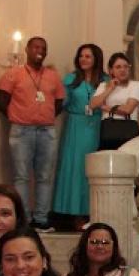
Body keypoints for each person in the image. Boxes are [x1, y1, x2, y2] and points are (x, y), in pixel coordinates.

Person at [0, 36, 65, 231]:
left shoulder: (53, 76)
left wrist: (43, 115)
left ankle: (41, 219)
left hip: (47, 131)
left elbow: (59, 103)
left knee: (44, 176)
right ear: (27, 49)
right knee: (22, 177)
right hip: (21, 131)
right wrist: (20, 116)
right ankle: (23, 219)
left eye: (43, 47)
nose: (40, 50)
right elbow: (1, 101)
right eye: (36, 46)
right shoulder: (14, 74)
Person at [52, 43, 104, 225]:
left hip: (96, 126)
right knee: (75, 168)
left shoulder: (104, 80)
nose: (83, 59)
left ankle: (93, 212)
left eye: (88, 56)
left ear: (96, 59)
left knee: (92, 169)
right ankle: (74, 213)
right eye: (81, 56)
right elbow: (60, 102)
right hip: (75, 125)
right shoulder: (71, 79)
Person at [91, 52, 139, 150]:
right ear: (111, 70)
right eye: (118, 67)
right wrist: (110, 88)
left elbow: (128, 109)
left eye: (126, 67)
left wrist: (106, 107)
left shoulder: (136, 85)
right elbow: (93, 104)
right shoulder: (104, 85)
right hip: (108, 132)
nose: (122, 70)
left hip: (129, 131)